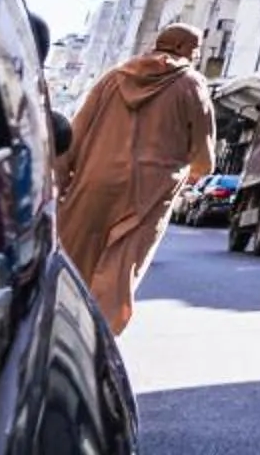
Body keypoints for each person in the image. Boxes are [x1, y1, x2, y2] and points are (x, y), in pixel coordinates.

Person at [56, 23, 215, 333]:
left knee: (74, 258)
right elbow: (203, 159)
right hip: (148, 195)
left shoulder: (113, 78)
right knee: (120, 267)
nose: (196, 55)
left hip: (92, 184)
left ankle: (57, 322)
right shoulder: (192, 85)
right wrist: (192, 169)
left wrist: (62, 182)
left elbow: (74, 136)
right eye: (195, 49)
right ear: (182, 48)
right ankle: (95, 338)